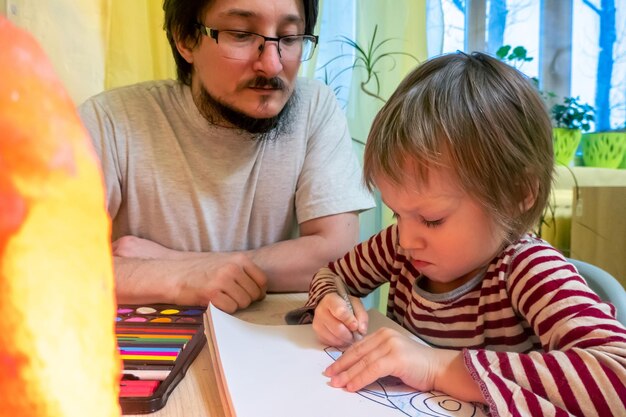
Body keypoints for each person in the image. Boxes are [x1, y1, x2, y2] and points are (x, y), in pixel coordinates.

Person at [290, 52, 626, 416]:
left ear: (517, 194)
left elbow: (617, 377)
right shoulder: (398, 245)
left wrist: (437, 366)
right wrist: (330, 304)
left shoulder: (529, 268)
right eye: (396, 212)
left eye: (432, 219)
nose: (405, 239)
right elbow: (332, 275)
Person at [78, 0, 374, 313]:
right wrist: (181, 279)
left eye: (289, 38)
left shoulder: (313, 108)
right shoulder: (109, 120)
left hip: (266, 344)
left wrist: (181, 265)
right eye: (241, 34)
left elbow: (336, 255)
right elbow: (43, 262)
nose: (272, 65)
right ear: (185, 39)